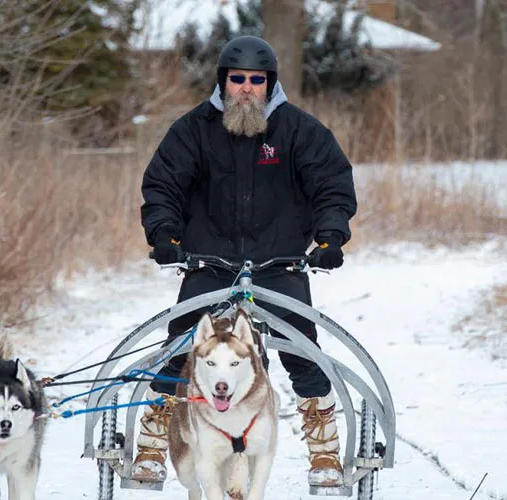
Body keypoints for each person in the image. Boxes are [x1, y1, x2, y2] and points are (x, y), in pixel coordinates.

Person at [134, 35, 357, 488]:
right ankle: (152, 445)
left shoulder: (299, 130)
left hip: (280, 265)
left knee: (303, 351)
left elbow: (332, 184)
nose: (247, 89)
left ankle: (325, 452)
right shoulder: (194, 129)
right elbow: (163, 187)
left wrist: (330, 238)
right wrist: (165, 236)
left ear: (270, 84)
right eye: (238, 79)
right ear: (223, 81)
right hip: (208, 264)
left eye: (257, 80)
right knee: (180, 346)